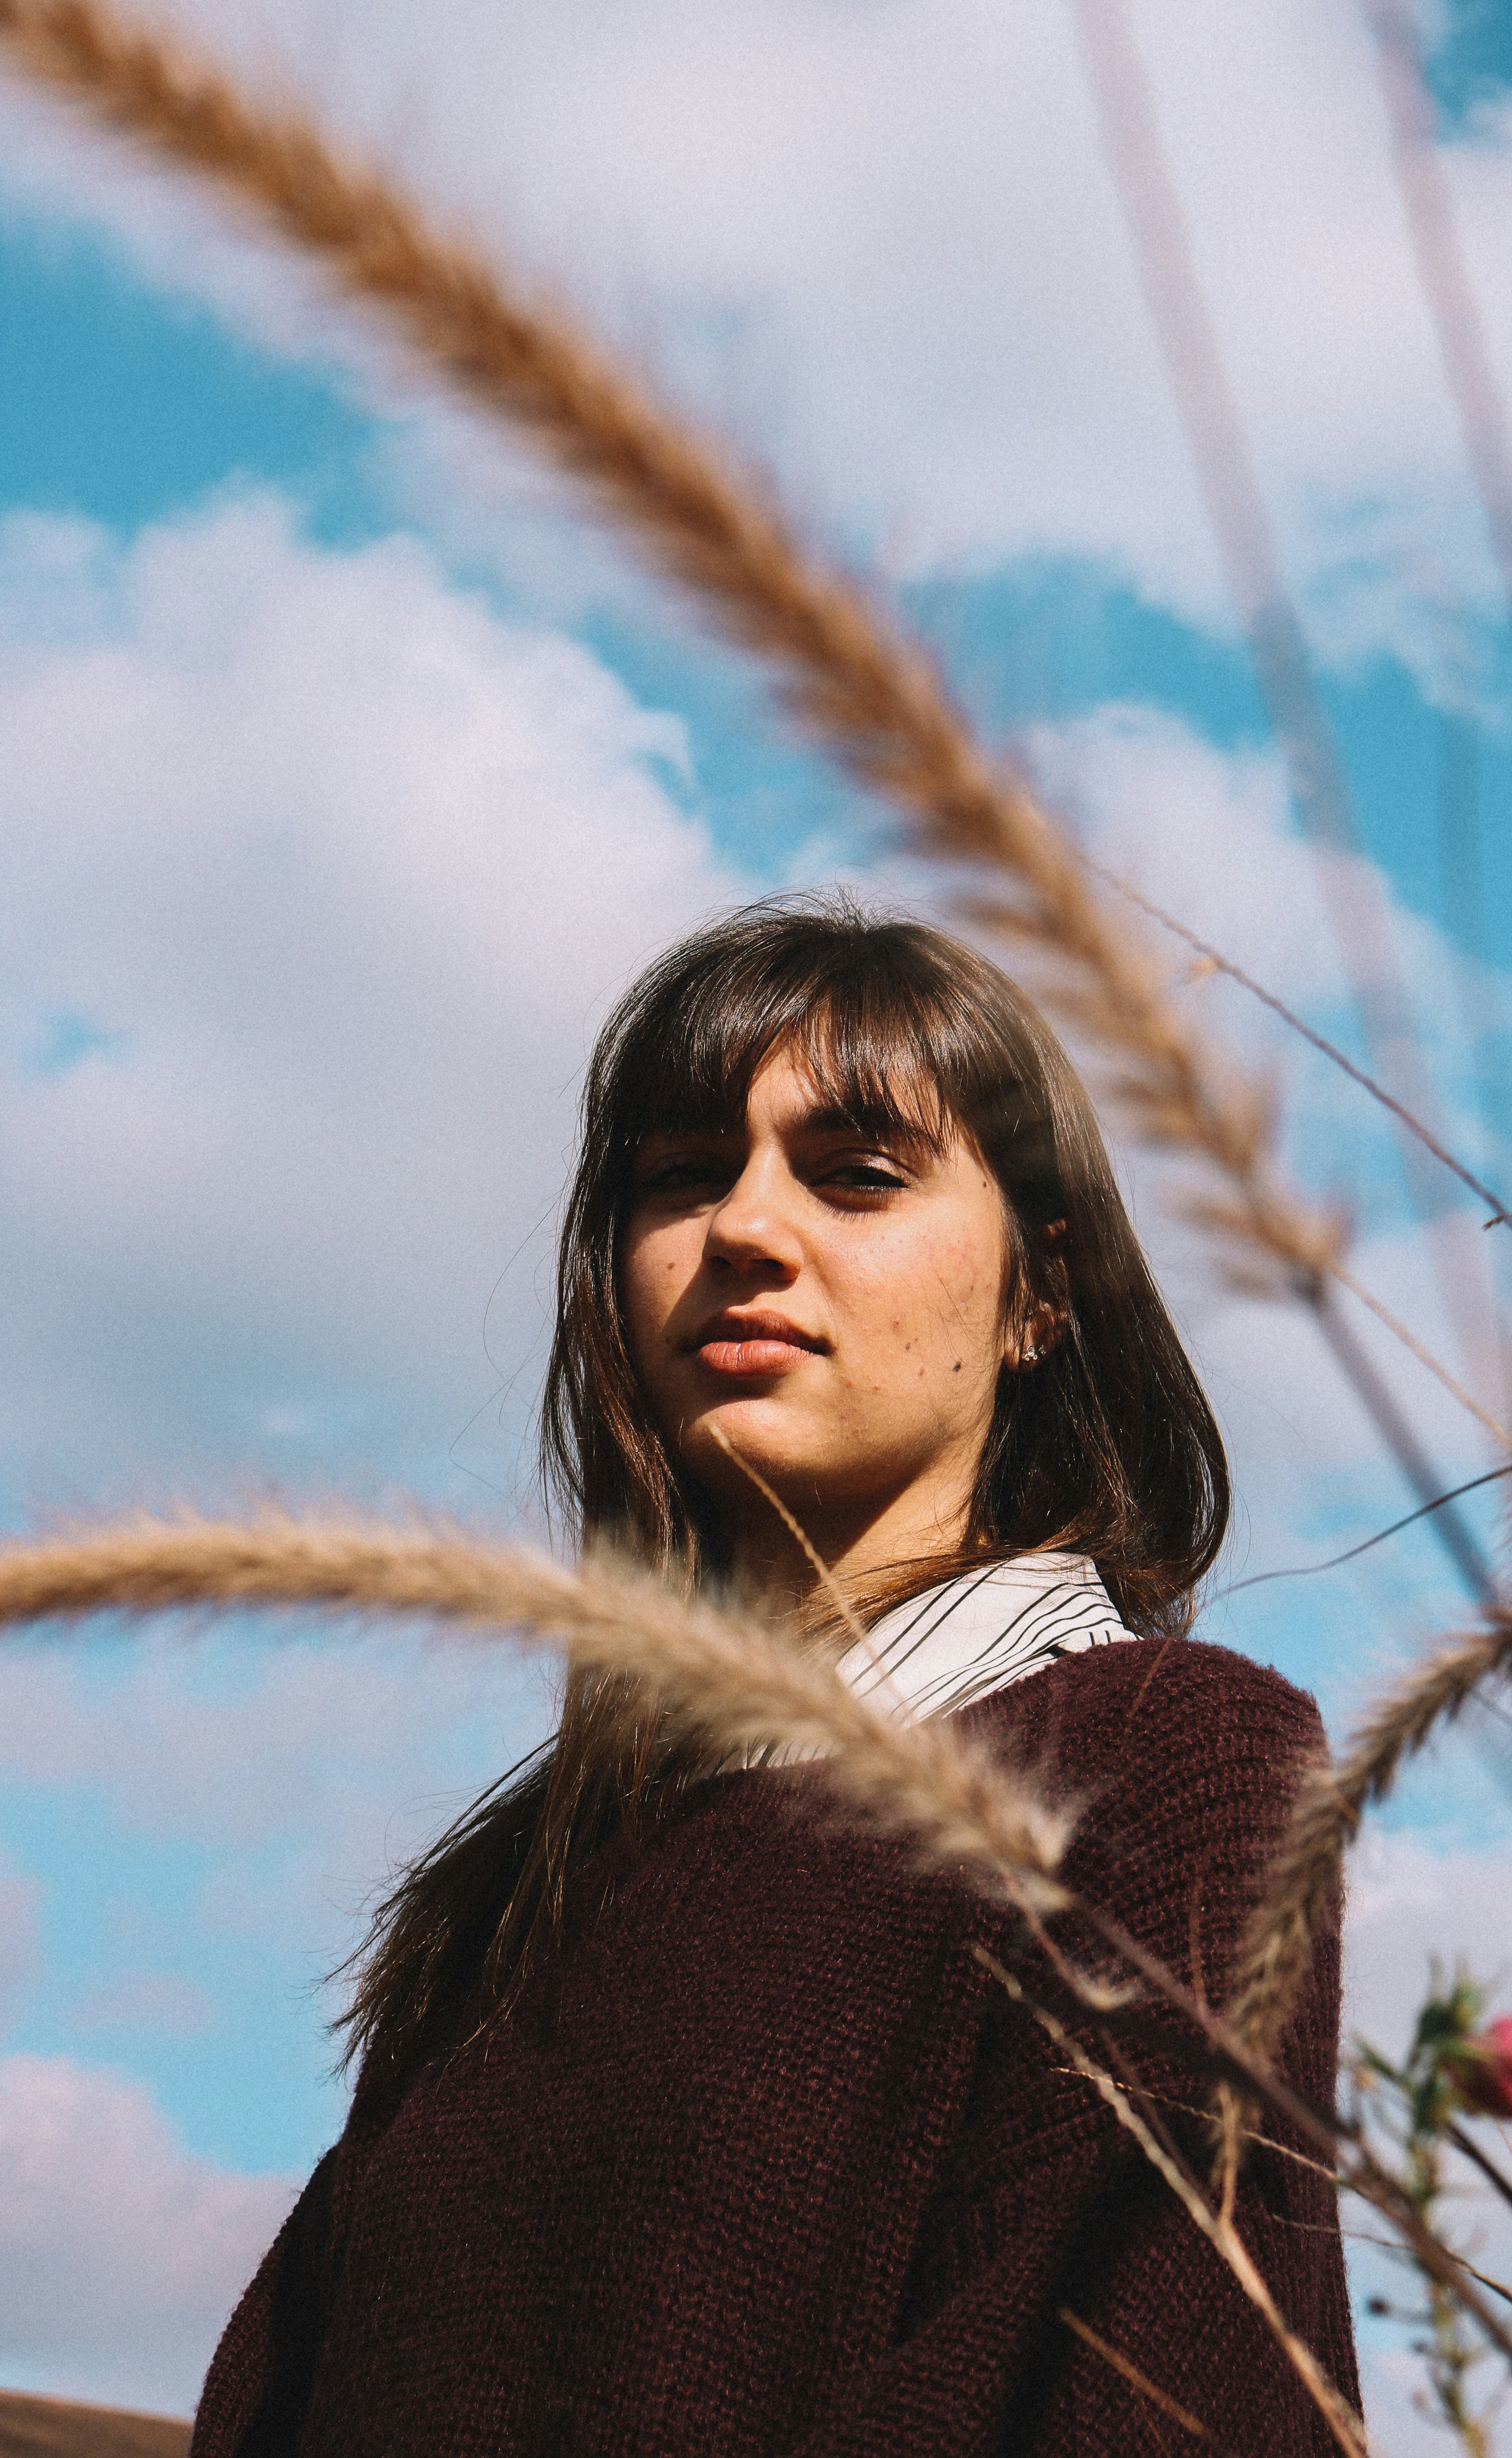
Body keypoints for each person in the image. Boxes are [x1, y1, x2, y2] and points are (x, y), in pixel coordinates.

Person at [193, 901, 1356, 2456]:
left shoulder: (1165, 1756)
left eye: (856, 1174)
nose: (741, 1229)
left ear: (1037, 1296)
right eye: (680, 1175)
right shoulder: (514, 1886)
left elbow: (1146, 2392)